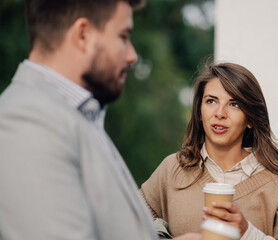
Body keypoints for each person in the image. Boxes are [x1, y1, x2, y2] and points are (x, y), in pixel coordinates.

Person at [0, 0, 200, 239]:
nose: (132, 56)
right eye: (123, 36)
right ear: (83, 34)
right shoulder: (26, 121)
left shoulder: (74, 115)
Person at [141, 62, 278, 239]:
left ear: (250, 119)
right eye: (211, 101)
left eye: (234, 104)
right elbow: (123, 225)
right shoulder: (172, 169)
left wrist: (247, 233)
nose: (220, 113)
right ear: (199, 112)